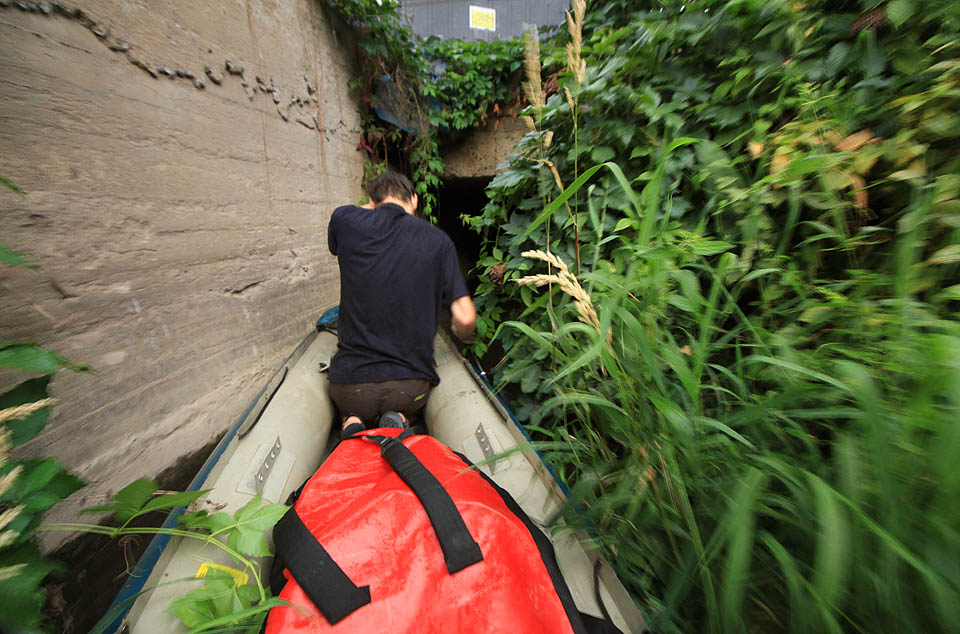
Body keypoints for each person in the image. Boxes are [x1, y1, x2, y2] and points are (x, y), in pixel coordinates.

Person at [326, 170, 476, 432]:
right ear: (415, 201)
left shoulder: (344, 219)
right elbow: (465, 316)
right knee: (407, 403)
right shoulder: (438, 241)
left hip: (350, 388)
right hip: (409, 390)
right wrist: (463, 335)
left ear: (371, 201)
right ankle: (401, 418)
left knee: (352, 406)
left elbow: (348, 223)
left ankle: (351, 420)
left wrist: (373, 206)